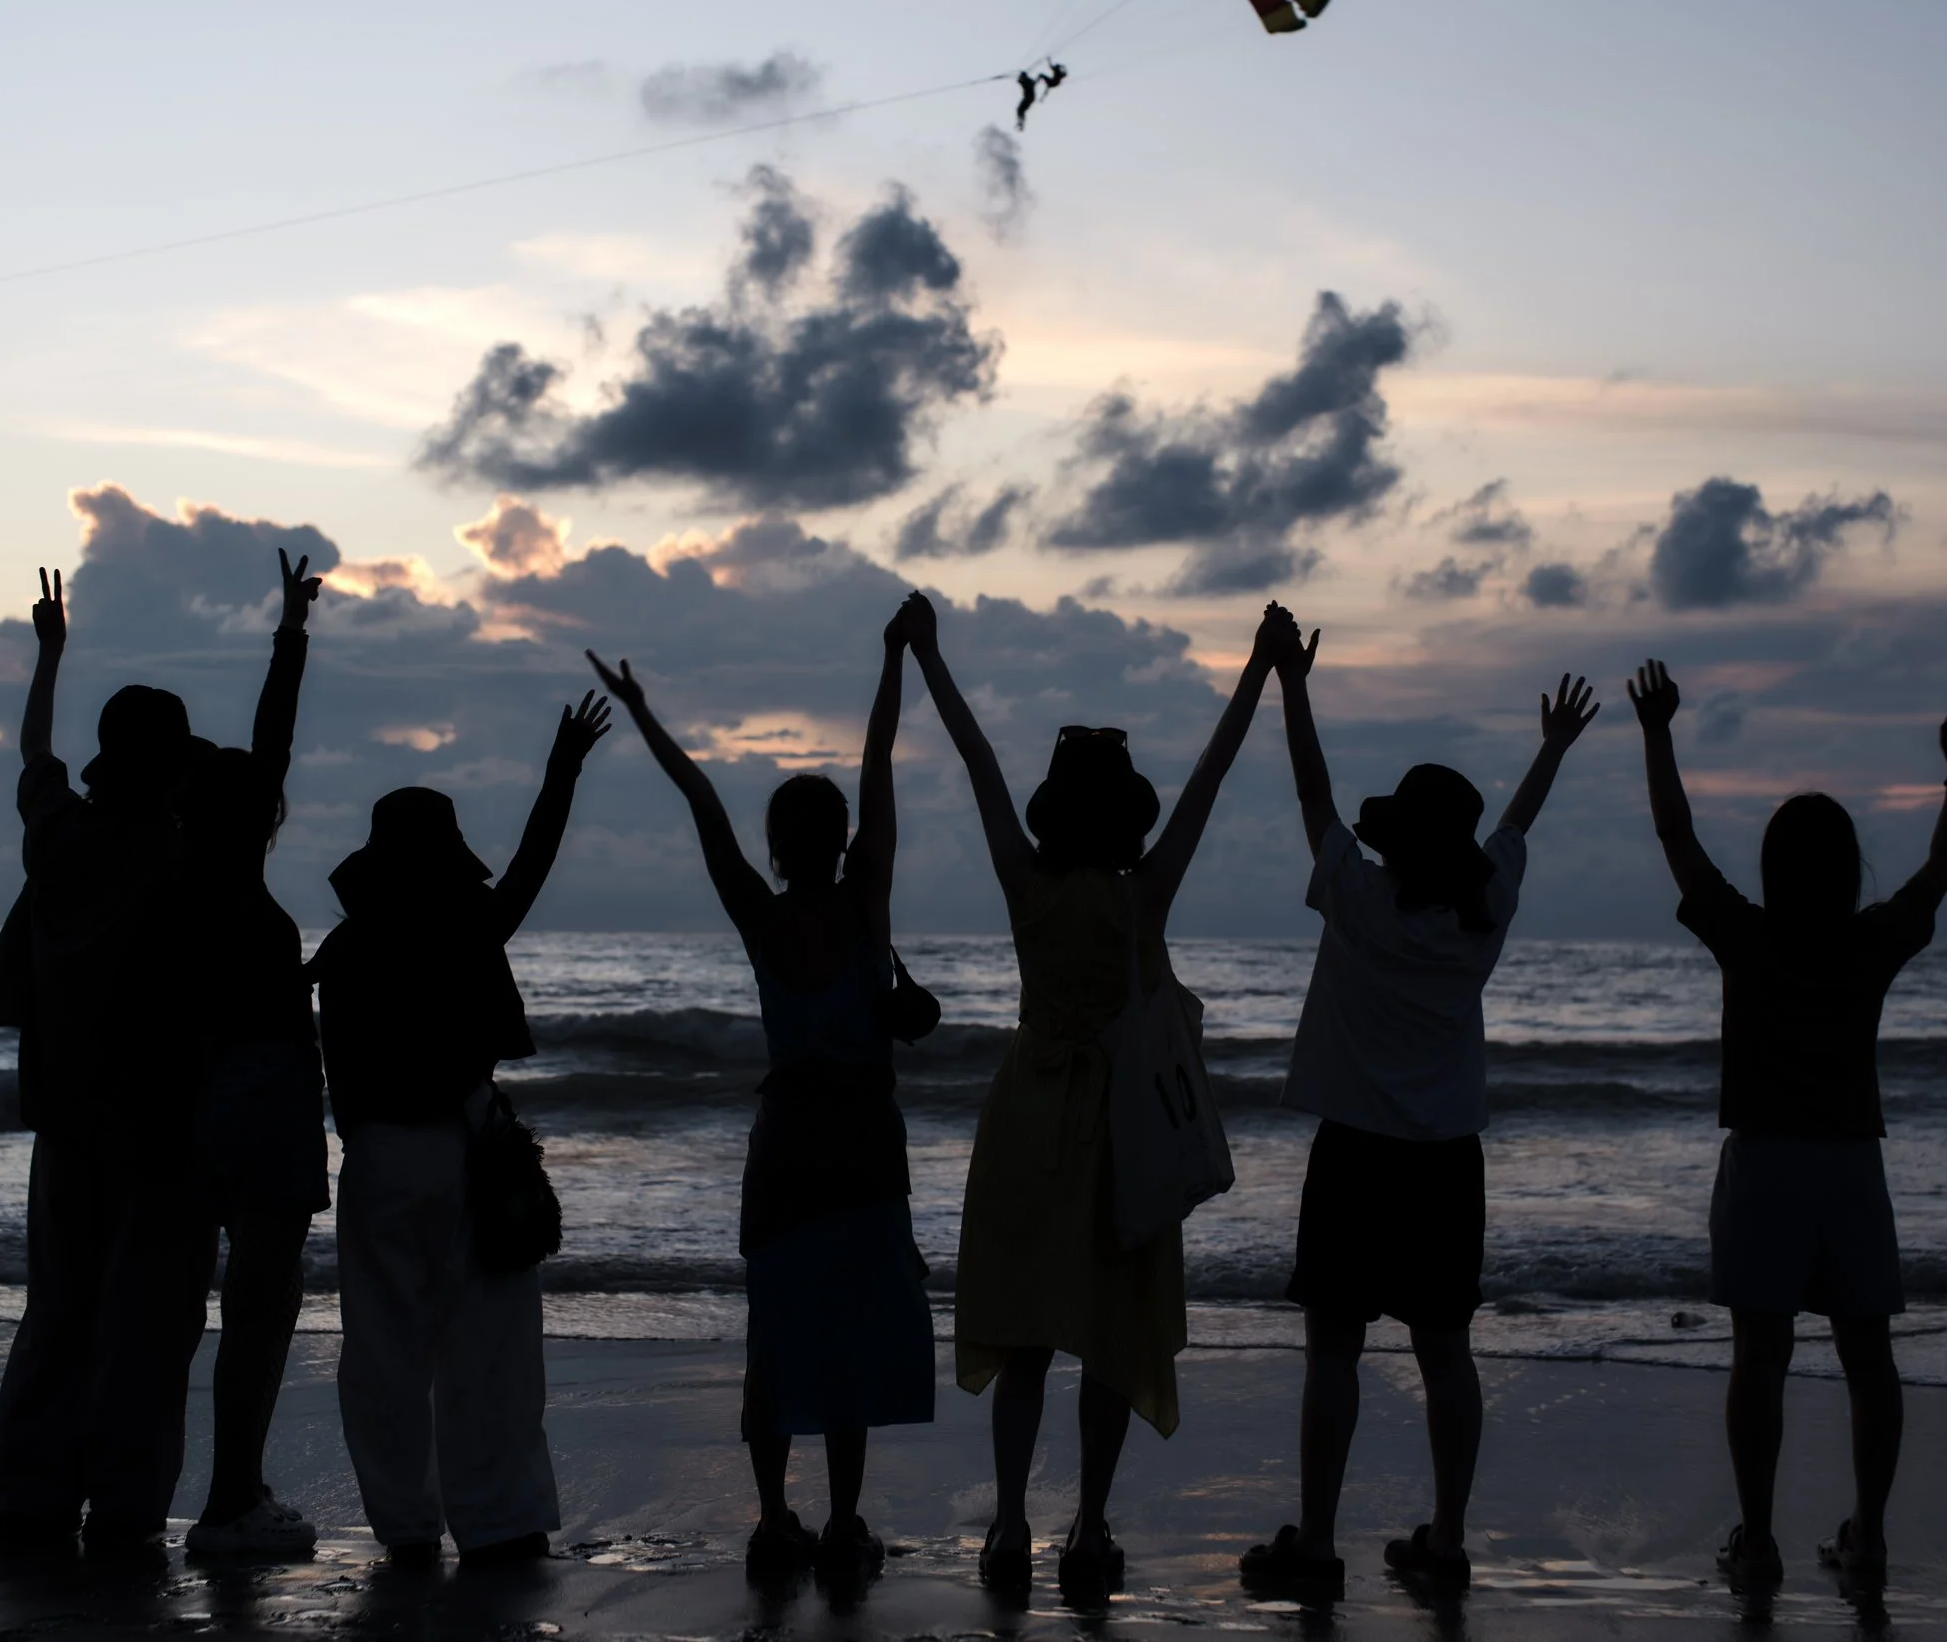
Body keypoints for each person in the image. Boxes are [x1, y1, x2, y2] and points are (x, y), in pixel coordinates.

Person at [905, 591, 1286, 1595]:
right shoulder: (1141, 892)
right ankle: (1086, 1529)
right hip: (1119, 1128)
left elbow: (977, 760)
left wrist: (927, 659)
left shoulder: (1027, 885)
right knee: (1110, 1338)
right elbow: (1211, 775)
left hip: (1029, 1114)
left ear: (1054, 810)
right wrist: (1257, 669)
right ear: (1124, 817)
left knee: (1027, 1337)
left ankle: (1008, 1527)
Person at [1627, 659, 1947, 1594]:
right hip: (1849, 1169)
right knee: (1868, 1358)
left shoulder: (1747, 937)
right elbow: (1942, 868)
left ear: (1771, 865)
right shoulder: (1869, 941)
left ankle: (1757, 1541)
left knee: (1761, 1357)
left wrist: (1658, 731)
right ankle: (1866, 1536)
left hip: (1764, 1166)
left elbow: (1676, 836)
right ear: (1846, 870)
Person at [584, 600, 937, 1583]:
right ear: (841, 839)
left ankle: (774, 1518)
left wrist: (645, 712)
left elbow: (698, 796)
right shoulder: (868, 903)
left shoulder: (760, 914)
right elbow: (880, 763)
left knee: (778, 1336)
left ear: (778, 847)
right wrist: (893, 659)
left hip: (786, 1146)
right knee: (856, 1336)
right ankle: (843, 1521)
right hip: (864, 1143)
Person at [1241, 626, 1599, 1593]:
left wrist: (1291, 685)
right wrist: (1555, 747)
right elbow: (1514, 832)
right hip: (1445, 1159)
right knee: (1446, 1353)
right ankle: (1446, 1539)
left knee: (1334, 1349)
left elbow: (1311, 789)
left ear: (1393, 837)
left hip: (1356, 1154)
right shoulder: (1486, 916)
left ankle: (1317, 1543)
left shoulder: (1358, 898)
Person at [311, 692, 612, 1568]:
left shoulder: (345, 949)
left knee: (381, 1353)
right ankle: (498, 1520)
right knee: (491, 1345)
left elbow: (329, 1069)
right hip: (463, 1144)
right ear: (446, 858)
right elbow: (530, 865)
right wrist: (562, 768)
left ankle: (407, 1526)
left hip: (375, 1158)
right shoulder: (470, 922)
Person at [0, 568, 214, 1566]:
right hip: (156, 1121)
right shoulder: (173, 855)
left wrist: (50, 653)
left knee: (60, 1309)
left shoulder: (57, 837)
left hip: (64, 1114)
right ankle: (124, 1501)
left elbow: (34, 750)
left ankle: (32, 1492)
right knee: (147, 1325)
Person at [169, 550, 331, 1558]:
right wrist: (288, 632)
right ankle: (233, 1497)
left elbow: (267, 743)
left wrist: (288, 630)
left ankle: (199, 1490)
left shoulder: (176, 880)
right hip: (262, 1094)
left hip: (195, 1097)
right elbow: (274, 738)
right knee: (262, 1305)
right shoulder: (229, 878)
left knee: (199, 1302)